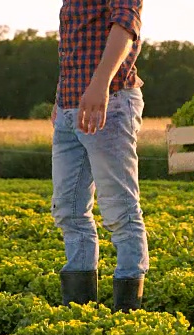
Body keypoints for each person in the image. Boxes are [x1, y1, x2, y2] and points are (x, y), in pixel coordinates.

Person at [50, 0, 149, 313]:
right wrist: (61, 95)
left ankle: (127, 313)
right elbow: (75, 43)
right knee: (69, 209)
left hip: (110, 101)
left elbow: (126, 24)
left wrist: (100, 84)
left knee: (120, 209)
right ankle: (81, 314)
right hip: (70, 106)